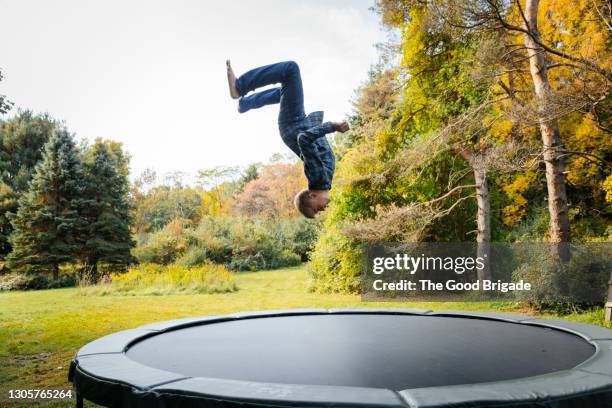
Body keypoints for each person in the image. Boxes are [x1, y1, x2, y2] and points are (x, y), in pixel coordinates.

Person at [226, 60, 349, 218]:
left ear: (312, 196)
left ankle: (239, 87)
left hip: (293, 123)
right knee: (284, 92)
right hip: (295, 123)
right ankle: (244, 103)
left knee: (290, 69)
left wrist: (332, 126)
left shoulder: (318, 178)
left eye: (316, 209)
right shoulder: (324, 180)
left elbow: (304, 139)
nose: (322, 210)